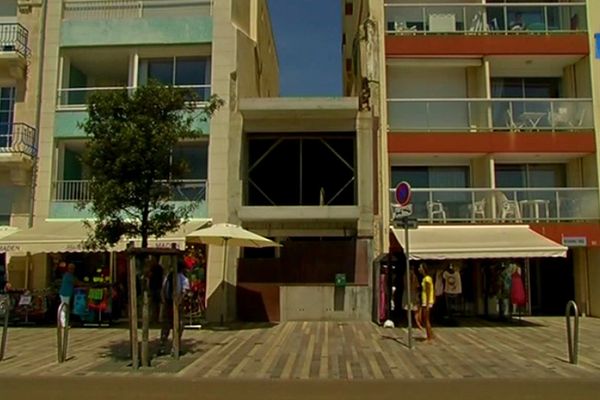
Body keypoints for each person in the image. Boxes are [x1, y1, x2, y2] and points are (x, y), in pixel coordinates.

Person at [159, 261, 190, 354]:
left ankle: (170, 346)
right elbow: (184, 292)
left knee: (171, 325)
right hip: (171, 303)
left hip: (173, 303)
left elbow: (164, 290)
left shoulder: (174, 277)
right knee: (174, 325)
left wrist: (177, 300)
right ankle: (168, 346)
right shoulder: (176, 277)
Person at [418, 263, 435, 341]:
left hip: (427, 301)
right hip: (425, 301)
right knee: (424, 319)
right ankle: (430, 334)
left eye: (420, 267)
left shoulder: (427, 279)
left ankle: (429, 337)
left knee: (426, 319)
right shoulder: (424, 278)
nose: (419, 269)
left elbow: (428, 292)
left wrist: (427, 304)